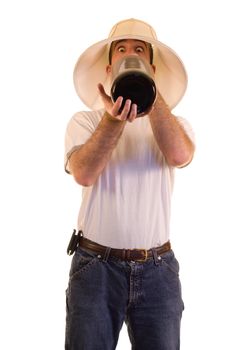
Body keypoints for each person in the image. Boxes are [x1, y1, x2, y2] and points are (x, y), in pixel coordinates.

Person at [64, 18, 195, 350]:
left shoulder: (172, 125)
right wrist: (112, 120)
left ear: (151, 67)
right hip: (95, 268)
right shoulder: (86, 121)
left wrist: (152, 98)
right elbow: (84, 173)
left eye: (138, 51)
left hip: (158, 269)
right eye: (121, 51)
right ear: (109, 69)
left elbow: (180, 155)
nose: (129, 55)